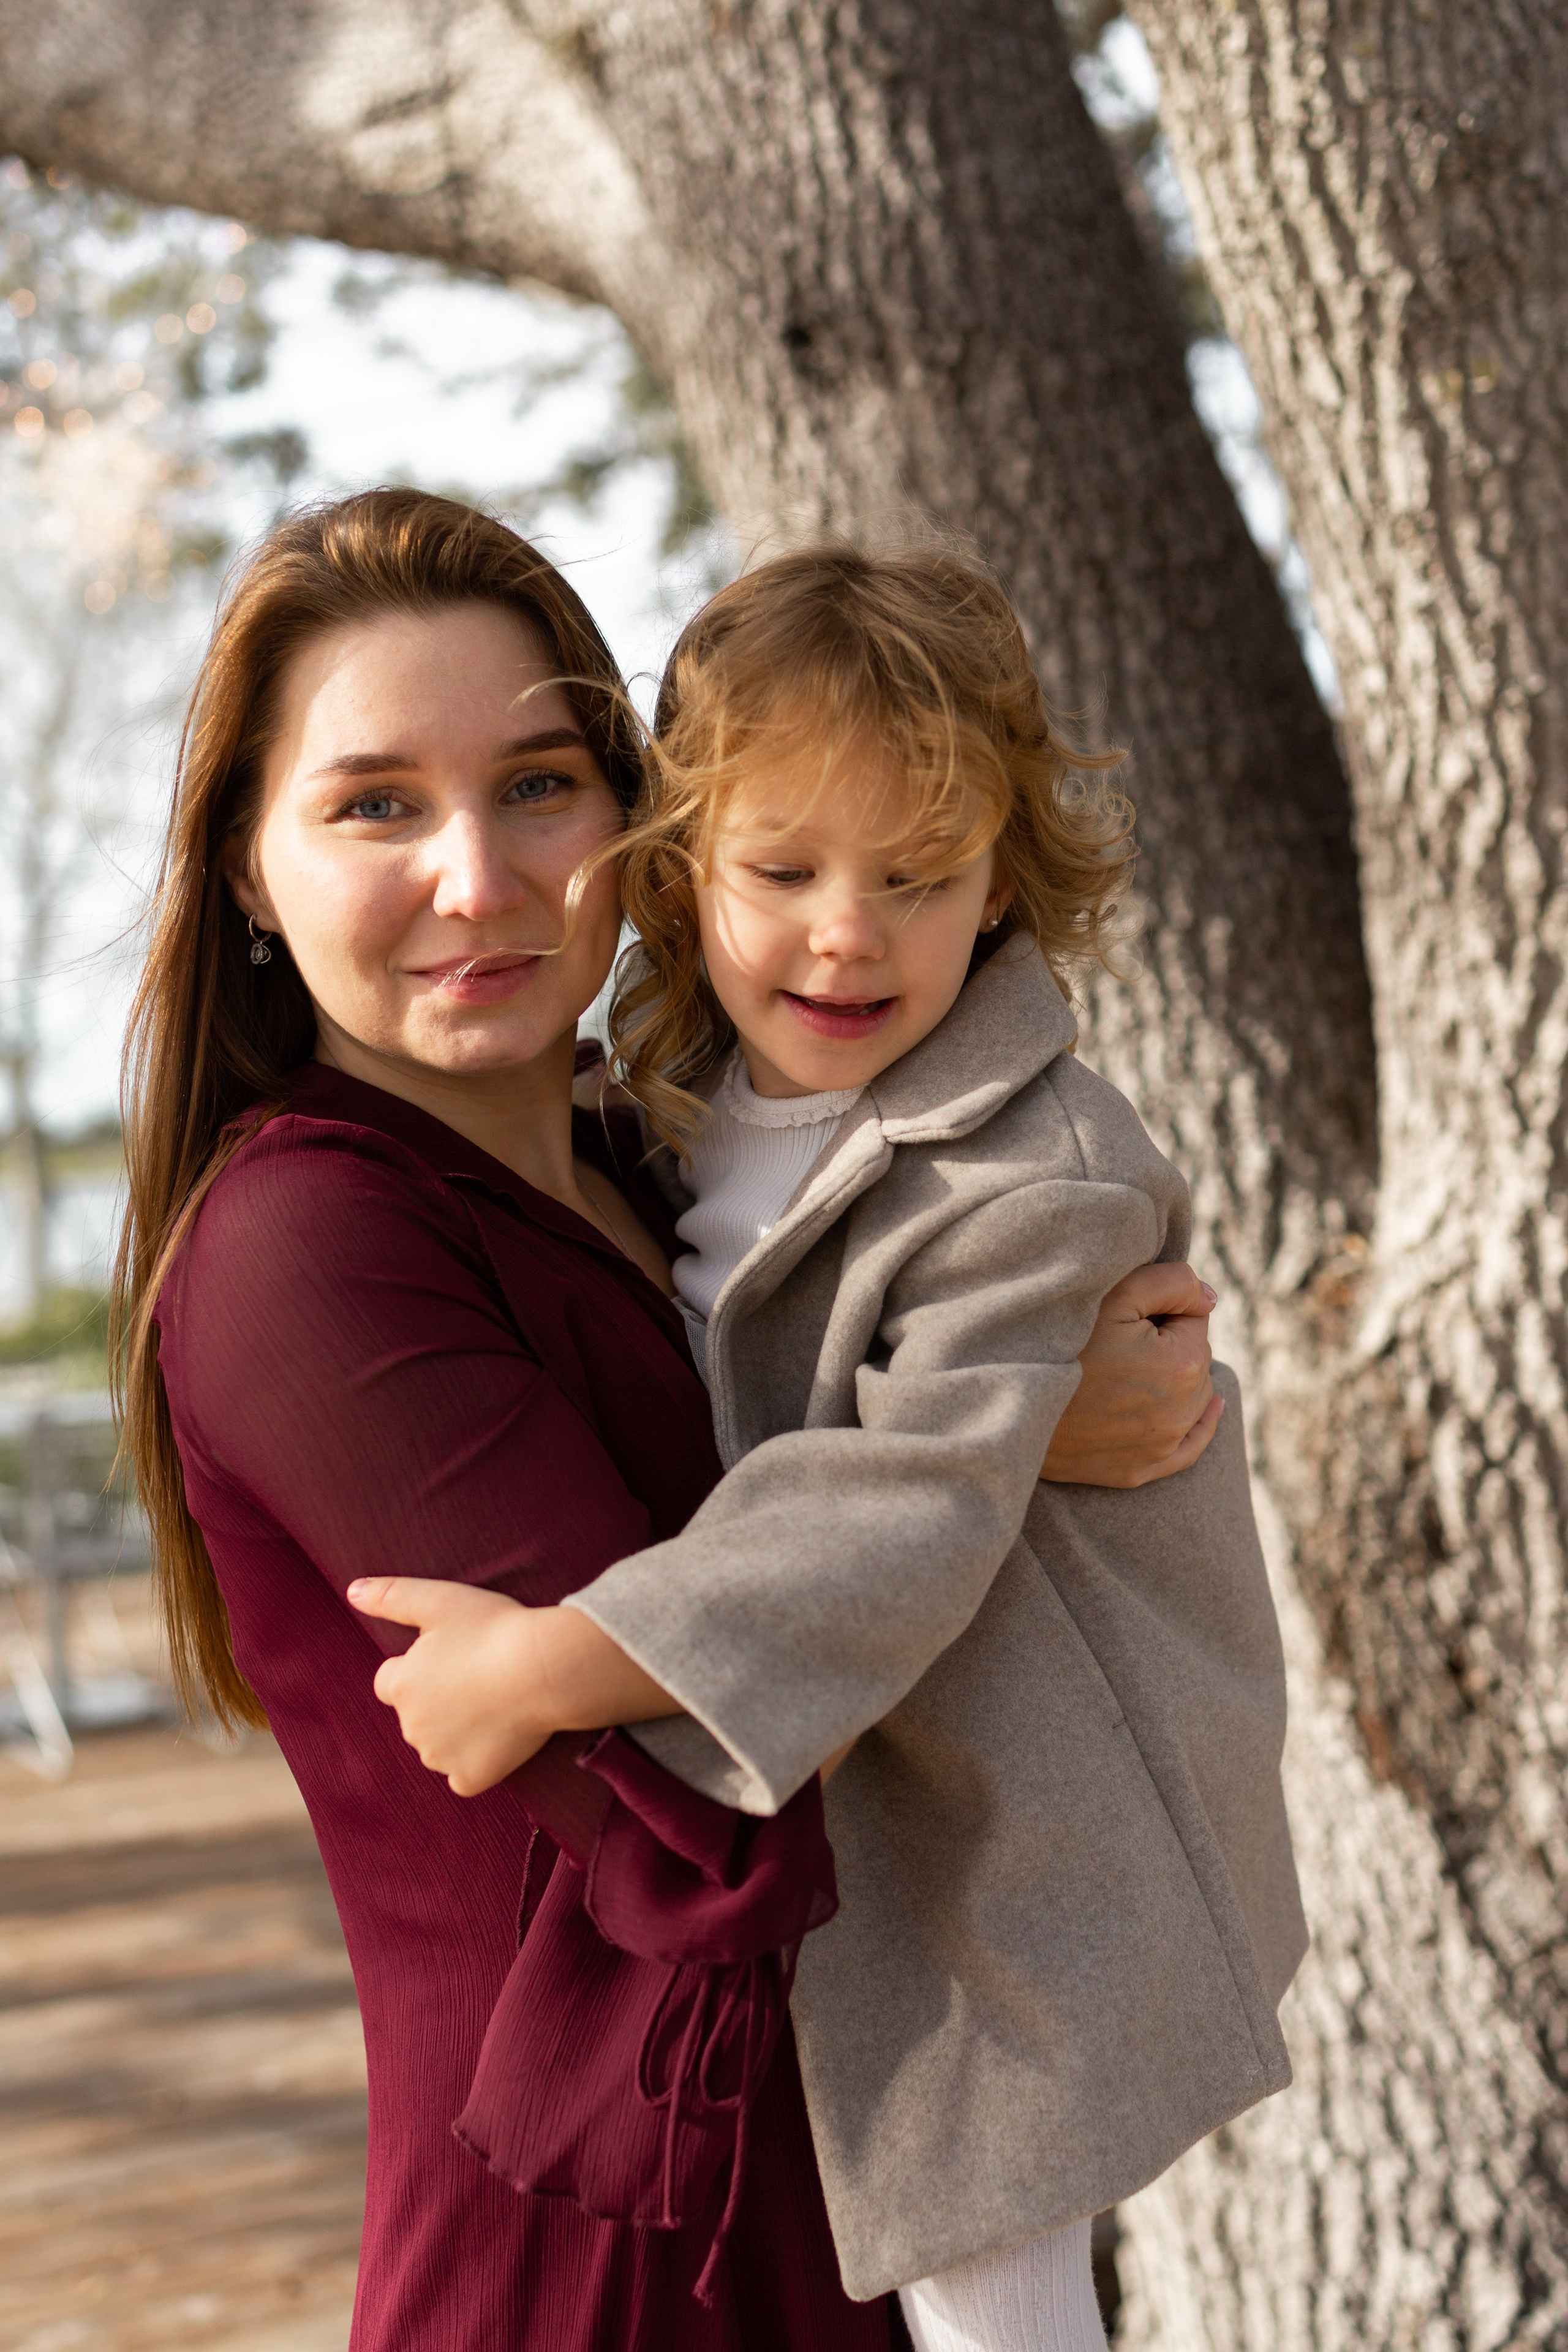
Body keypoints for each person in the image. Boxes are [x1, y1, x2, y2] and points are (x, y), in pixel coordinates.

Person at [113, 493, 1218, 2352]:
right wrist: (1011, 1446)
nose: (478, 875)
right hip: (610, 2269)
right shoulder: (311, 1248)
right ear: (243, 862)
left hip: (870, 2200)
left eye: (539, 784)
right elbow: (699, 1804)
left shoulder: (685, 1163)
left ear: (643, 826)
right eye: (375, 803)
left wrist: (988, 1413)